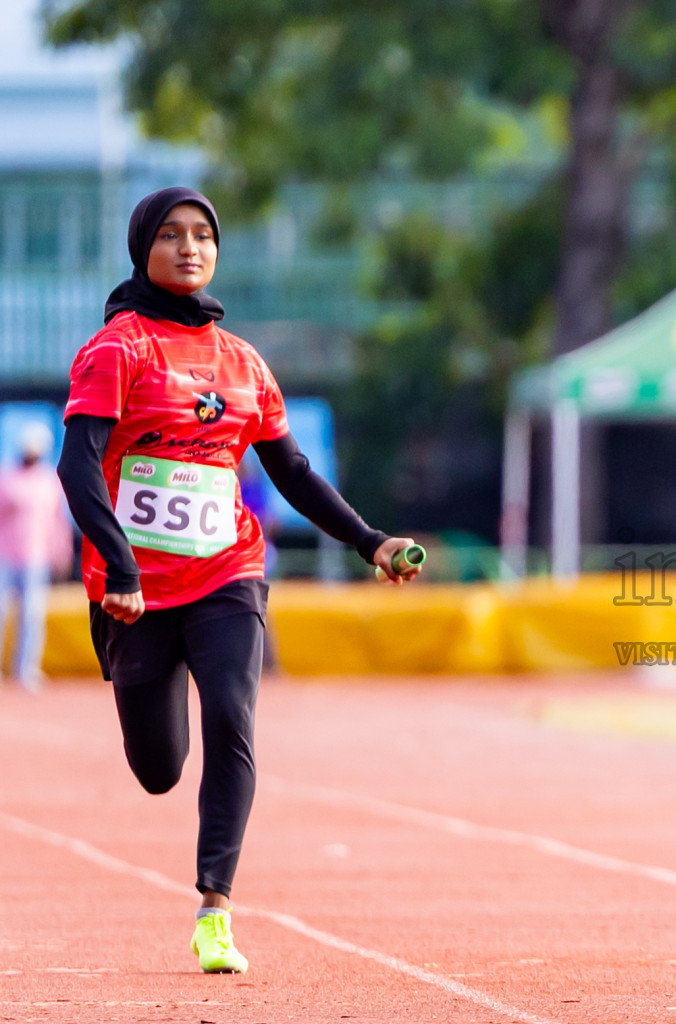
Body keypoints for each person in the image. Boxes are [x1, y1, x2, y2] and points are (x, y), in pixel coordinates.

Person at [55, 187, 422, 974]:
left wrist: (371, 542)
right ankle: (141, 675)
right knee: (158, 769)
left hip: (228, 573)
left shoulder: (243, 360)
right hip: (133, 589)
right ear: (141, 249)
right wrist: (118, 563)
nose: (190, 249)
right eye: (171, 236)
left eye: (203, 237)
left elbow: (291, 471)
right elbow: (76, 463)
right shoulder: (117, 349)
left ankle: (215, 905)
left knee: (232, 714)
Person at [0, 421, 72, 690]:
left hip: (35, 557)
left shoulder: (49, 481)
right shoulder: (6, 478)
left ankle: (25, 669)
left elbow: (57, 521)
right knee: (1, 612)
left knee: (31, 614)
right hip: (5, 556)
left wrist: (61, 551)